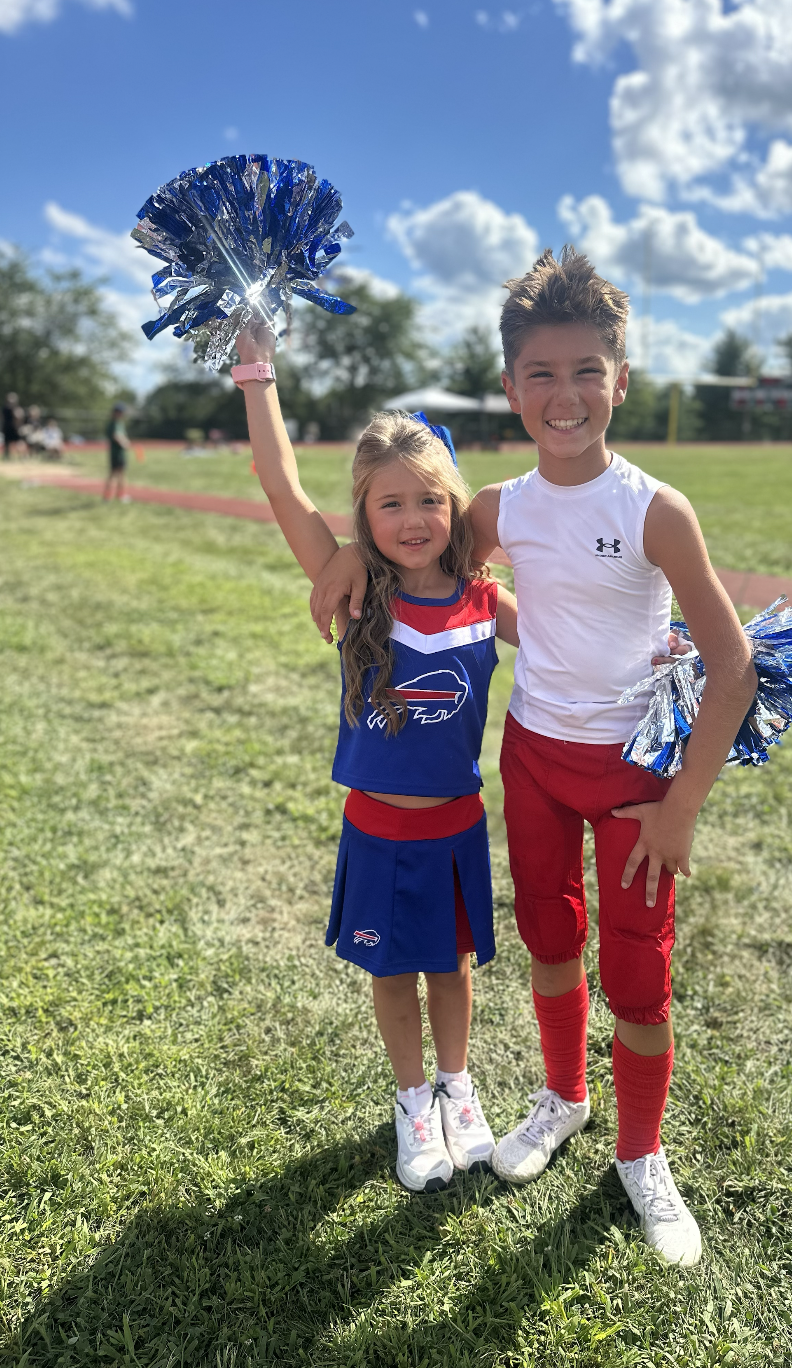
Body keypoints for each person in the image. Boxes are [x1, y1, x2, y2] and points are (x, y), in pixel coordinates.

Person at [308, 248, 758, 1264]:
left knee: (637, 975)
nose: (565, 395)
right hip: (533, 762)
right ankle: (563, 1097)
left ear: (621, 380)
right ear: (510, 388)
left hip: (636, 776)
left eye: (587, 371)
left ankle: (641, 1154)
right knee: (550, 942)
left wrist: (682, 807)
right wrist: (341, 556)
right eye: (541, 374)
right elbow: (423, 565)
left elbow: (733, 667)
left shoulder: (656, 509)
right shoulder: (493, 509)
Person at [233, 317, 521, 1194]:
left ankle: (458, 1089)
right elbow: (281, 485)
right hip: (379, 831)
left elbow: (576, 630)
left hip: (456, 826)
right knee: (393, 973)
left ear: (454, 505)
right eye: (388, 504)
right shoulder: (354, 589)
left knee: (452, 969)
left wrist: (665, 646)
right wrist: (257, 370)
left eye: (429, 499)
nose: (411, 519)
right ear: (362, 514)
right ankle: (412, 1101)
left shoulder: (486, 599)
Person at [104, 403, 131, 501]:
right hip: (117, 453)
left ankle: (108, 496)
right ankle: (120, 495)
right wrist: (125, 443)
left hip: (117, 453)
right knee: (119, 475)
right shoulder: (115, 424)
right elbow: (116, 436)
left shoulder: (118, 423)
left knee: (115, 474)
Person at [3, 392, 25, 459]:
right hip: (8, 427)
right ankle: (7, 456)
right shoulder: (6, 408)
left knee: (18, 442)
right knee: (8, 442)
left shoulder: (15, 408)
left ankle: (22, 456)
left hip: (14, 428)